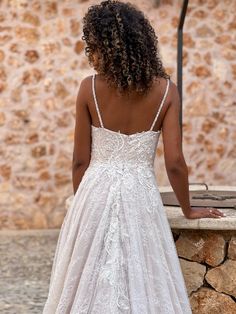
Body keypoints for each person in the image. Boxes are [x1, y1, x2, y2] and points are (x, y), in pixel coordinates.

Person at [43, 1, 225, 313]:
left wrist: (81, 202)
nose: (91, 55)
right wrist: (188, 208)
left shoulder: (89, 89)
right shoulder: (167, 92)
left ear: (106, 47)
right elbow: (175, 162)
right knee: (143, 276)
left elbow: (79, 161)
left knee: (86, 280)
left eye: (93, 46)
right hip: (140, 194)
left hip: (94, 190)